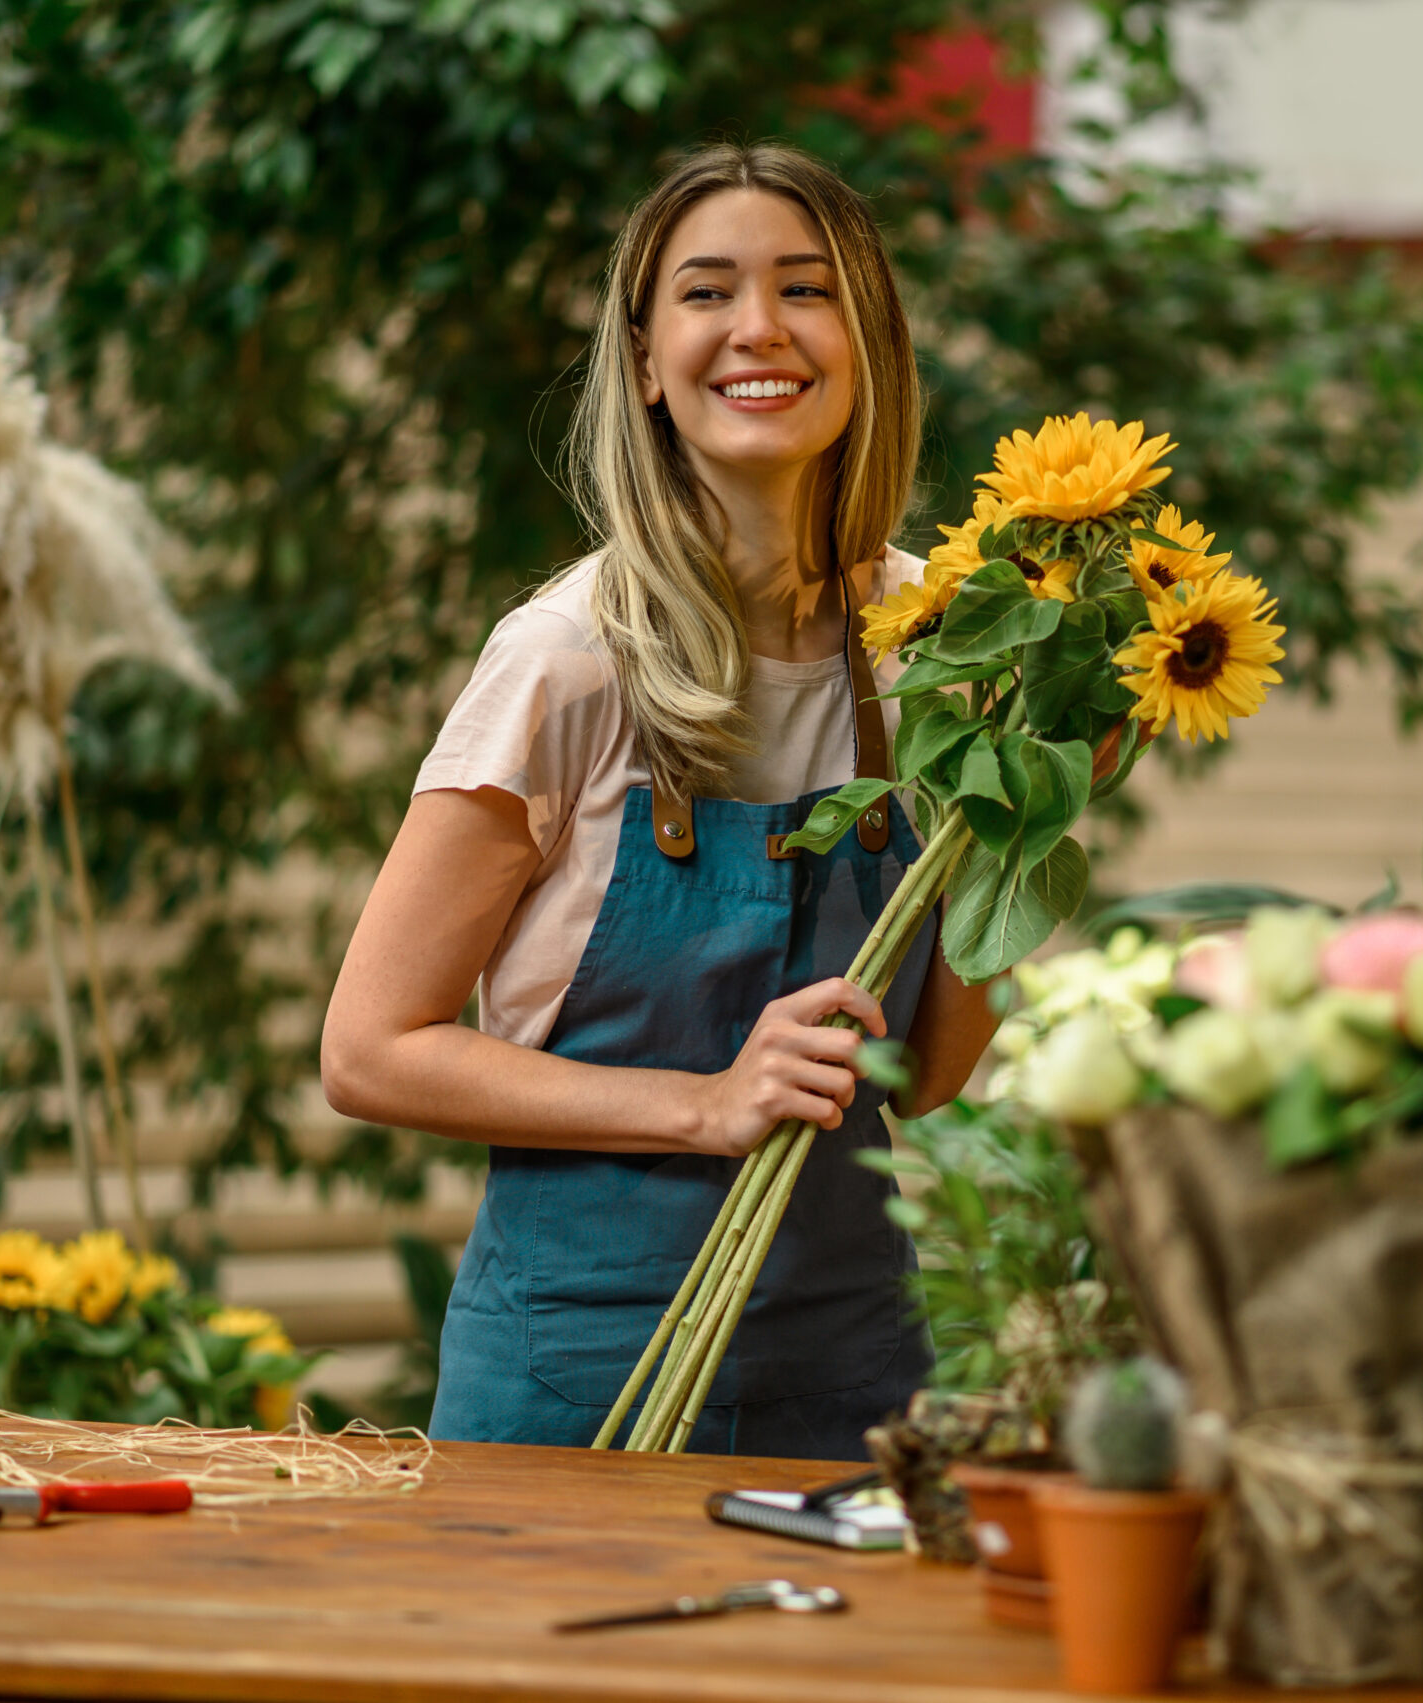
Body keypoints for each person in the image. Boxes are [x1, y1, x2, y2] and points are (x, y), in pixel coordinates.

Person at [321, 144, 999, 1458]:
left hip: (858, 1387)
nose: (759, 328)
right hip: (580, 1387)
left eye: (806, 289)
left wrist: (1022, 816)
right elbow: (368, 1049)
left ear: (870, 339)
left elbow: (923, 1082)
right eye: (706, 292)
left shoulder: (944, 643)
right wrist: (705, 1105)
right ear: (642, 358)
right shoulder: (566, 659)